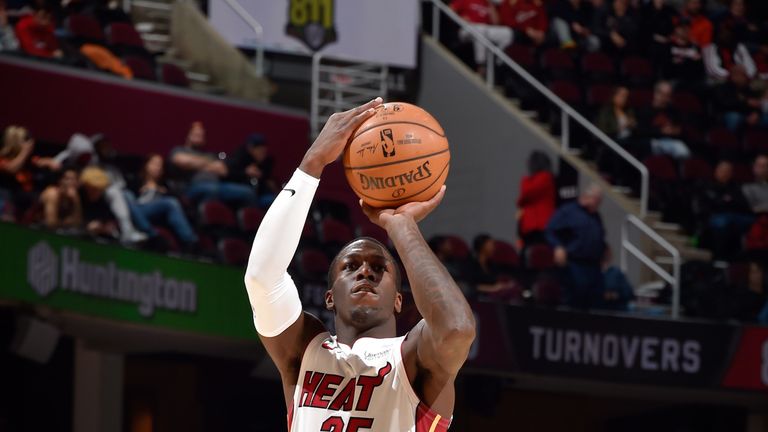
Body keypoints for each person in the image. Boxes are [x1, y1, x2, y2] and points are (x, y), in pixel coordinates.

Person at [243, 98, 475, 431]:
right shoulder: (304, 350)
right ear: (329, 297)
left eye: (380, 268)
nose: (365, 271)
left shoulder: (412, 357)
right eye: (350, 266)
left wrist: (402, 227)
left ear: (399, 300)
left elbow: (457, 329)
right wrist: (312, 163)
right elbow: (262, 279)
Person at [169, 121, 258, 207]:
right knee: (211, 189)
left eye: (201, 135)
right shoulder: (179, 150)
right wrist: (209, 165)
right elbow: (182, 161)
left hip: (219, 186)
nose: (199, 137)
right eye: (196, 135)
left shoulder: (209, 154)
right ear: (188, 135)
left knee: (247, 192)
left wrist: (195, 165)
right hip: (192, 187)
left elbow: (223, 170)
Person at [545, 184, 606, 309]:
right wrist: (558, 247)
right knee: (575, 300)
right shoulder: (568, 211)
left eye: (600, 201)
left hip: (594, 266)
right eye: (596, 200)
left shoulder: (595, 215)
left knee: (595, 301)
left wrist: (605, 249)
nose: (598, 204)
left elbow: (598, 235)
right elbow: (550, 230)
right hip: (575, 264)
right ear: (586, 197)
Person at [126, 154, 199, 249]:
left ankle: (191, 242)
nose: (157, 168)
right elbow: (129, 199)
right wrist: (143, 190)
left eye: (160, 165)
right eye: (154, 164)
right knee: (126, 195)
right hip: (137, 210)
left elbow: (176, 203)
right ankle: (152, 234)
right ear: (146, 165)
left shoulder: (165, 187)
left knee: (171, 202)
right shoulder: (136, 181)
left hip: (154, 213)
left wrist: (163, 192)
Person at [694, 160, 752, 259]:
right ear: (716, 171)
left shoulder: (735, 187)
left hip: (733, 216)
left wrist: (727, 202)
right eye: (723, 170)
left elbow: (743, 204)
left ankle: (747, 256)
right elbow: (707, 206)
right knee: (723, 222)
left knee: (754, 222)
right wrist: (726, 202)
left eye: (728, 171)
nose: (725, 173)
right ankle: (720, 256)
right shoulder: (706, 185)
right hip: (712, 217)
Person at [450, 0, 513, 73]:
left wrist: (490, 5)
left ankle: (498, 62)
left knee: (508, 32)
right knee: (480, 30)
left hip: (484, 30)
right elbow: (450, 9)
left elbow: (496, 23)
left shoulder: (488, 4)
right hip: (466, 29)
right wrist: (460, 18)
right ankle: (481, 65)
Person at [635, 80, 691, 160]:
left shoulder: (672, 111)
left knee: (682, 148)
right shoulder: (645, 110)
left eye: (668, 95)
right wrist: (661, 131)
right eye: (664, 94)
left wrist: (676, 130)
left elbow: (681, 129)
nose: (666, 98)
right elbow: (640, 131)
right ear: (656, 93)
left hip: (671, 140)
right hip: (653, 141)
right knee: (679, 148)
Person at [224, 133, 278, 208]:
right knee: (247, 193)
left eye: (263, 151)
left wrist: (262, 176)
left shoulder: (267, 162)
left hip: (261, 193)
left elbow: (269, 182)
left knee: (276, 200)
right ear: (250, 148)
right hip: (244, 190)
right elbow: (229, 173)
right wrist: (245, 172)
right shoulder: (240, 157)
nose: (262, 153)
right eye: (259, 150)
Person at [516, 151, 555, 248]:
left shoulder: (545, 177)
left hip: (539, 225)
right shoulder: (545, 178)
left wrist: (524, 181)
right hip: (532, 225)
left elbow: (527, 193)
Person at [713, 65, 768, 131]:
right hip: (729, 114)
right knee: (733, 118)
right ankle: (730, 139)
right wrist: (746, 102)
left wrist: (756, 114)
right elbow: (725, 104)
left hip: (748, 115)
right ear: (733, 75)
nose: (745, 77)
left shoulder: (747, 88)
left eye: (744, 75)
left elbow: (757, 104)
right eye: (741, 75)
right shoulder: (723, 88)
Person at [79, 166, 118, 238]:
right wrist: (86, 227)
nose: (97, 192)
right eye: (94, 189)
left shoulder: (101, 201)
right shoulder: (78, 198)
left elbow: (111, 220)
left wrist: (104, 227)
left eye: (100, 190)